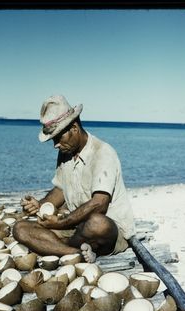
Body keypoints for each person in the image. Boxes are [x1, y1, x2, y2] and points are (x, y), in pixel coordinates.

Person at [13, 95, 135, 263]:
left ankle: (59, 248)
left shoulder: (102, 153)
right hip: (76, 228)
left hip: (110, 231)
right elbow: (60, 190)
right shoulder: (66, 153)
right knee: (20, 229)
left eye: (57, 137)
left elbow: (99, 204)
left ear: (75, 129)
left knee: (98, 223)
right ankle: (75, 253)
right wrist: (40, 205)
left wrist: (60, 222)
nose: (55, 144)